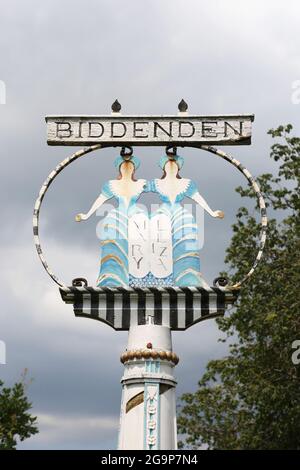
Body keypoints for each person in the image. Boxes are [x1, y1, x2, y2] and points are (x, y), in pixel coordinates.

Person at [148, 154, 224, 287]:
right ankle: (157, 277)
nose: (171, 168)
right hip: (162, 214)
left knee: (186, 242)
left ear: (179, 168)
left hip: (180, 216)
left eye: (174, 165)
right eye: (168, 165)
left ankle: (188, 276)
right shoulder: (156, 183)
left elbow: (197, 197)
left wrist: (211, 212)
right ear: (164, 168)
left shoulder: (186, 183)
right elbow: (135, 189)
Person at [76, 155, 147, 287]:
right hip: (117, 219)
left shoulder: (141, 184)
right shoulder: (112, 185)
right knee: (114, 247)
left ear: (134, 169)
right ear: (119, 169)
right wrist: (87, 215)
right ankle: (112, 279)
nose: (128, 168)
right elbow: (101, 199)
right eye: (125, 166)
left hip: (136, 216)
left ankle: (138, 280)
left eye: (131, 166)